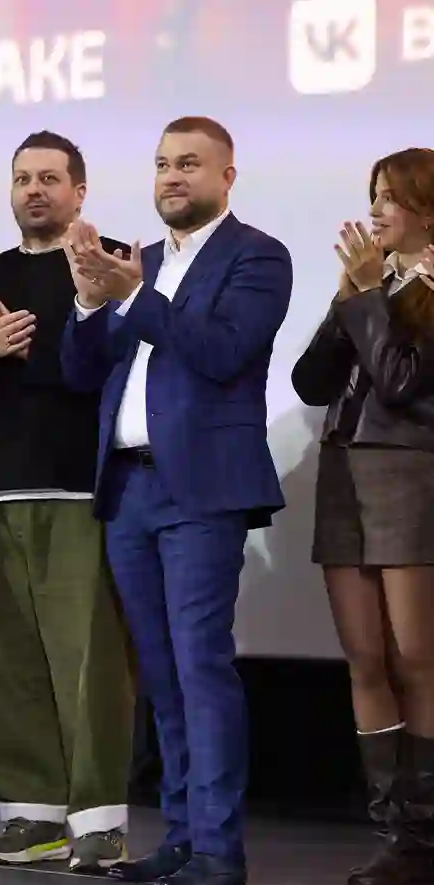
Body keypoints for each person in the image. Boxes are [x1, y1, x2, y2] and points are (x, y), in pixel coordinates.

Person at [60, 116, 293, 885]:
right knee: (160, 674)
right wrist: (89, 302)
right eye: (163, 163)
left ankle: (220, 849)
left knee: (200, 665)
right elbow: (83, 371)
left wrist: (134, 294)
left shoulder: (257, 256)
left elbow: (223, 352)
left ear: (227, 176)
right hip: (128, 487)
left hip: (200, 486)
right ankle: (184, 837)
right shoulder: (144, 261)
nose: (172, 176)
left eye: (190, 163)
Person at [0, 131, 135, 871]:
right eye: (23, 178)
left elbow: (109, 370)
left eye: (50, 178)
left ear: (79, 190)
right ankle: (33, 816)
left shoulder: (112, 264)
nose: (35, 190)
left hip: (80, 488)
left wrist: (64, 326)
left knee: (90, 661)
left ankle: (100, 820)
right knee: (3, 662)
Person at [291, 147, 434, 885]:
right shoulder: (372, 282)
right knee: (366, 657)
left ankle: (424, 836)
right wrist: (349, 296)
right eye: (373, 194)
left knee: (418, 658)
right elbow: (311, 382)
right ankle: (393, 830)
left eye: (391, 197)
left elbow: (402, 381)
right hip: (344, 472)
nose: (376, 210)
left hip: (408, 473)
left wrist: (373, 294)